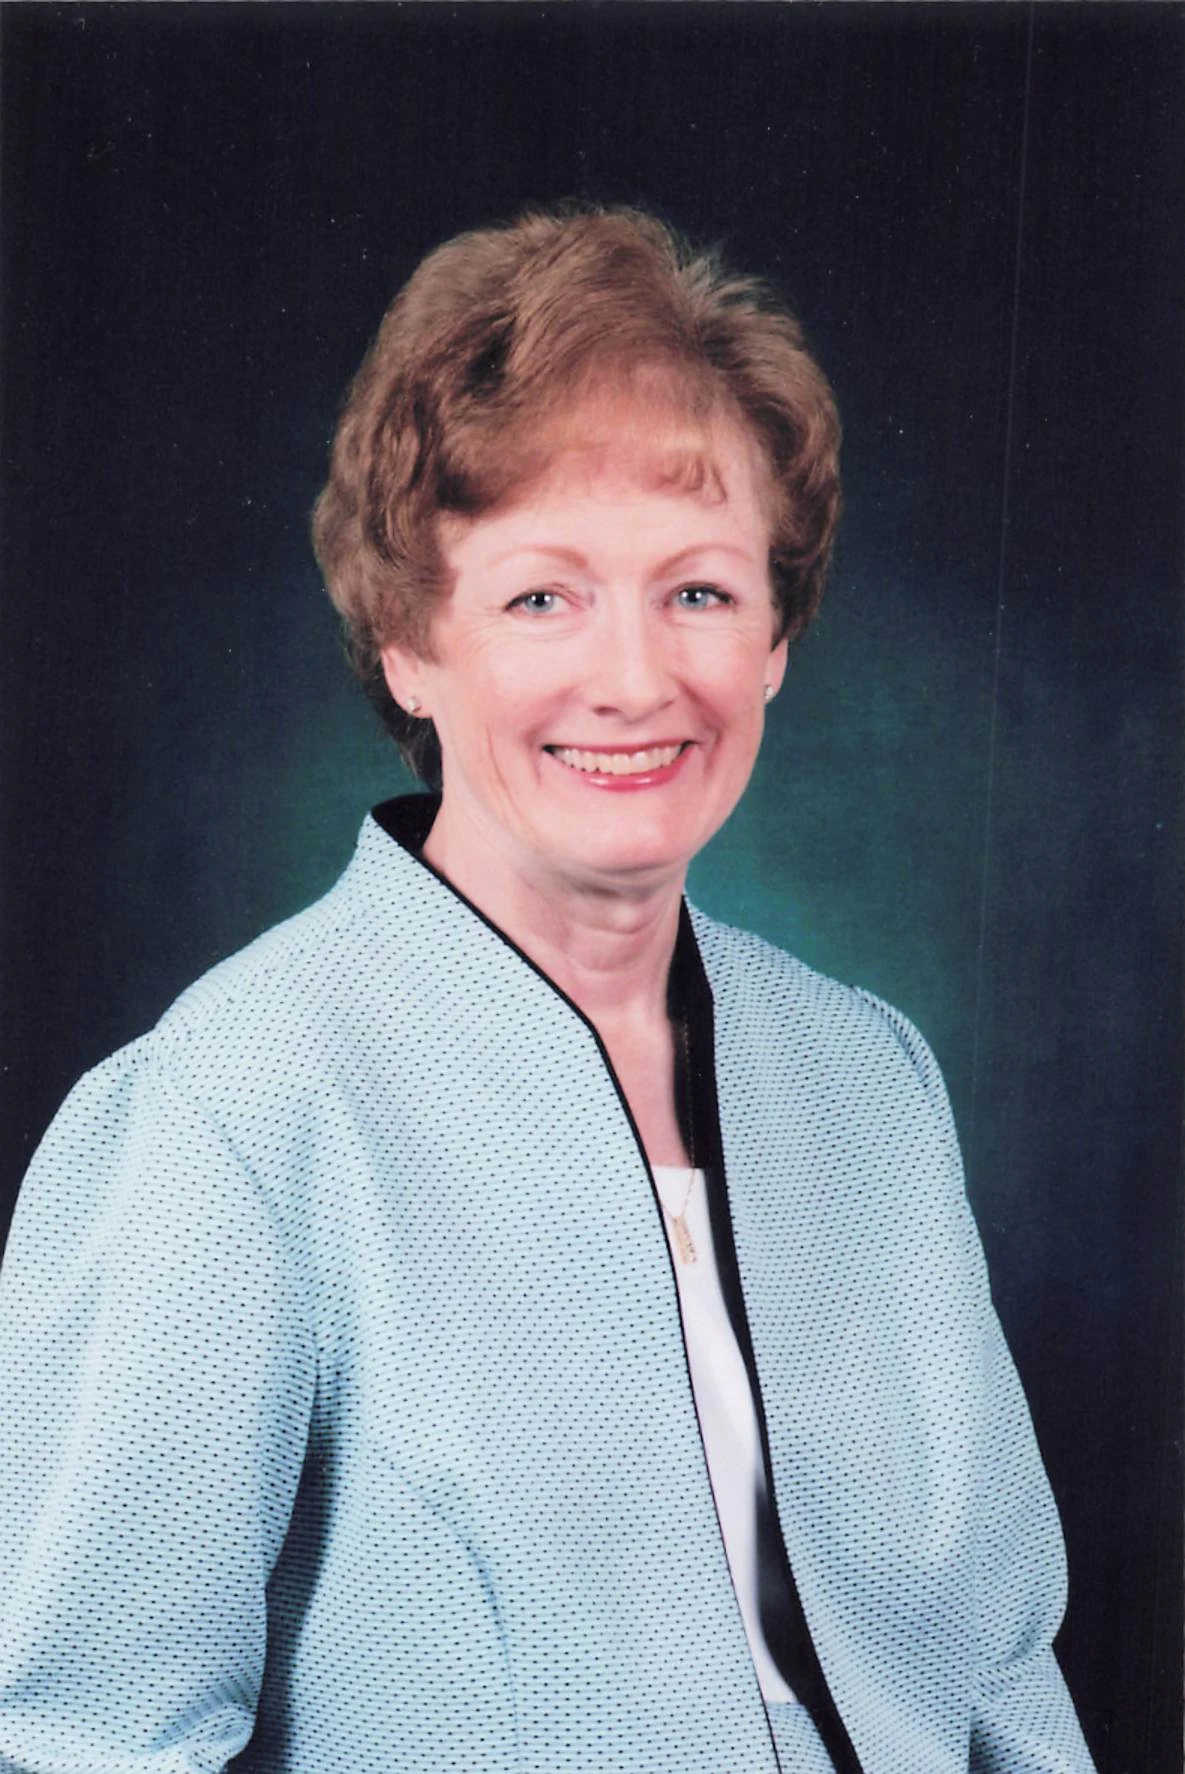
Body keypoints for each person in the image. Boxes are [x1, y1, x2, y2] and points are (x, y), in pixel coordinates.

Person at [0, 205, 1095, 1774]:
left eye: (699, 592)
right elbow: (78, 1738)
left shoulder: (871, 1081)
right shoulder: (235, 1108)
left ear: (776, 635)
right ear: (407, 642)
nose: (636, 679)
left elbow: (999, 1675)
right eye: (542, 597)